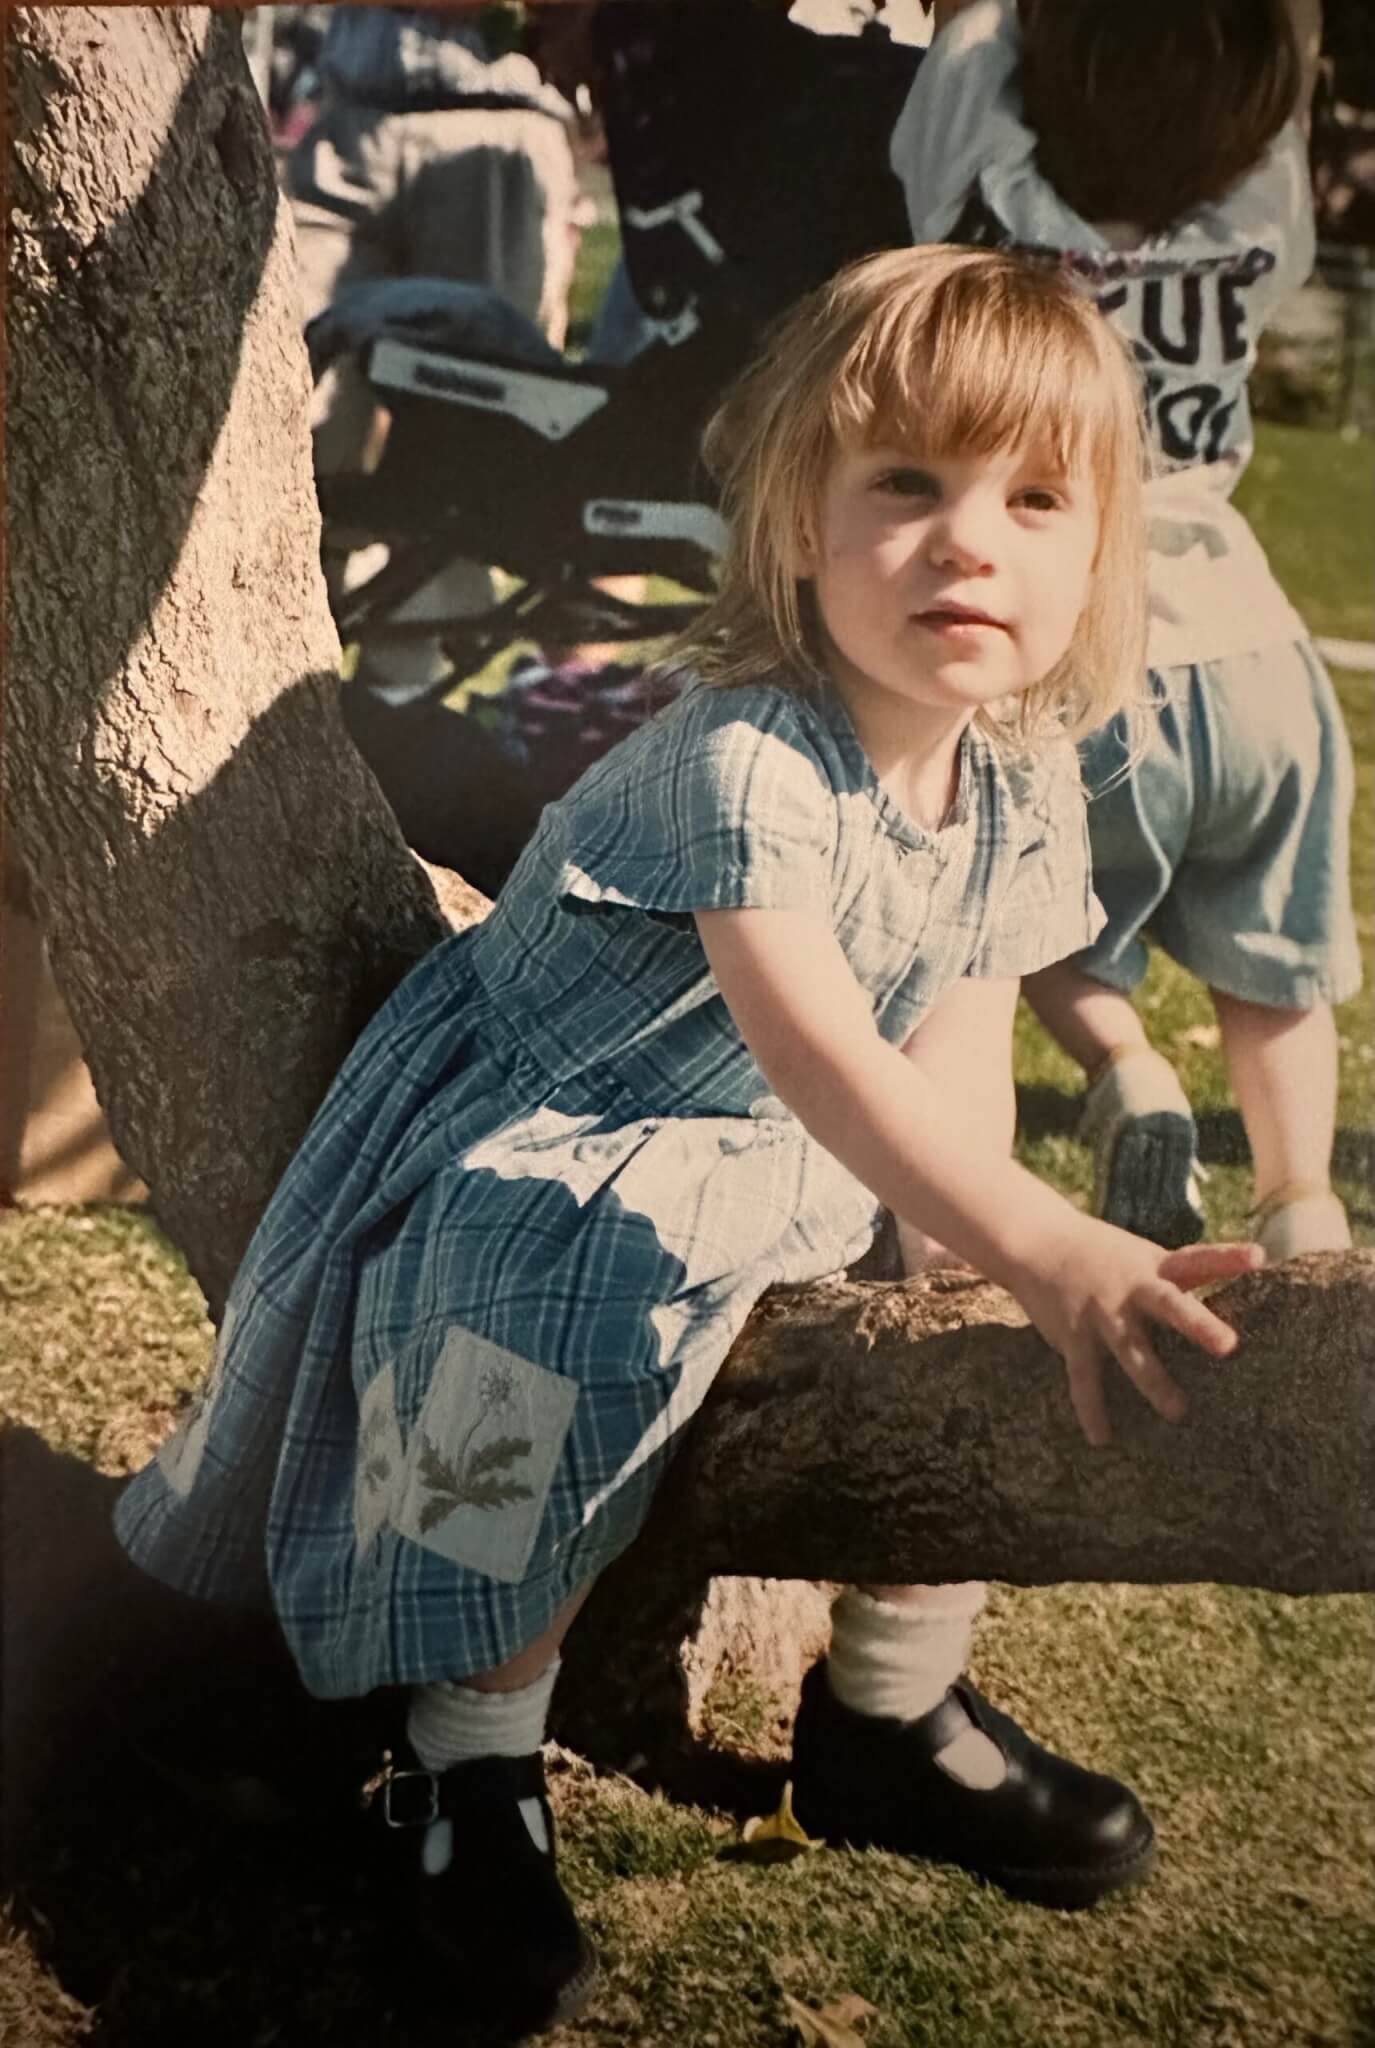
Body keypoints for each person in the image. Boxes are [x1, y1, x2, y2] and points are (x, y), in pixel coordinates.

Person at [113, 248, 1263, 2034]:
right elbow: (819, 1052)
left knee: (978, 1303)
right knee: (535, 1292)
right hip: (585, 1113)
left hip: (798, 1140)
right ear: (802, 525)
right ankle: (464, 1748)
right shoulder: (747, 759)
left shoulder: (1021, 771)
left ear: (1098, 553)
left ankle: (894, 1703)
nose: (971, 540)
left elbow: (950, 1048)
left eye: (1035, 498)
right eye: (910, 484)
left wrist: (980, 1272)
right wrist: (1048, 1236)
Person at [891, 0, 1359, 1258]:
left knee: (1010, 929)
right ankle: (1301, 1204)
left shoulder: (980, 210)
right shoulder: (1256, 229)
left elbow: (969, 45)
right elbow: (1280, 70)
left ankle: (1123, 1070)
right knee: (1273, 969)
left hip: (1074, 659)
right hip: (1256, 650)